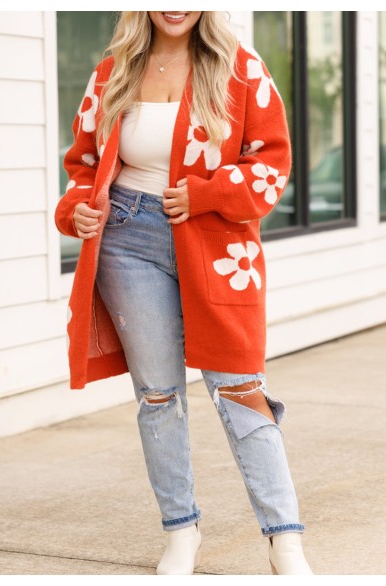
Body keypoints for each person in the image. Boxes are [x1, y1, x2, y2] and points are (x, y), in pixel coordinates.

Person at [55, 11, 313, 576]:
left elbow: (272, 160)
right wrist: (76, 209)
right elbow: (83, 164)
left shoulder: (241, 68)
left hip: (216, 244)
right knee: (157, 395)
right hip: (126, 241)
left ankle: (284, 538)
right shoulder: (113, 71)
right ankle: (181, 531)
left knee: (240, 389)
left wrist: (207, 194)